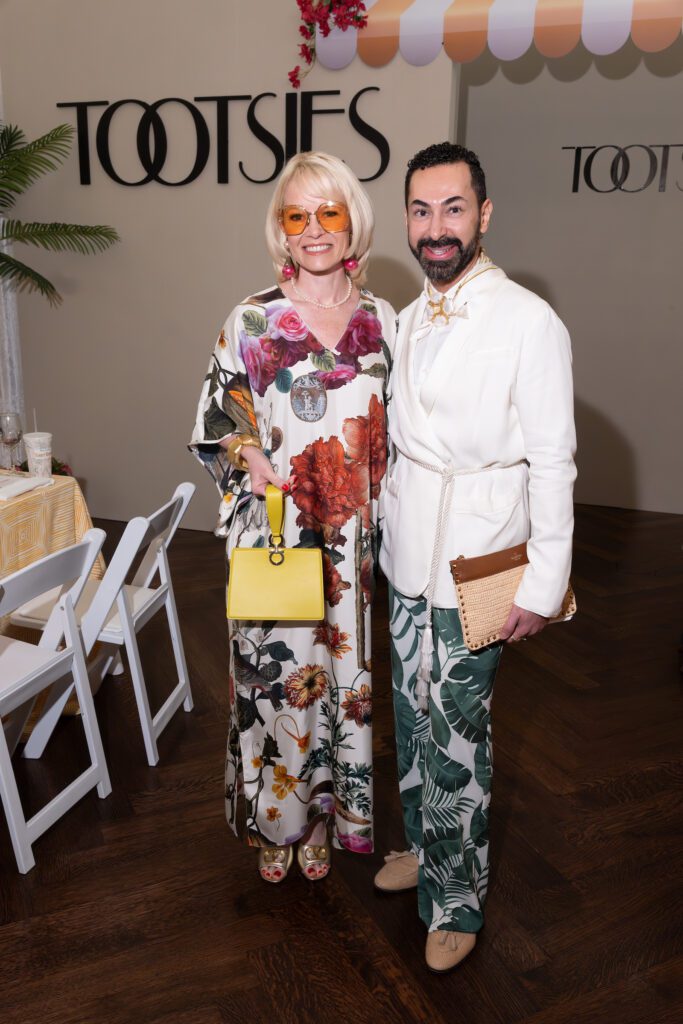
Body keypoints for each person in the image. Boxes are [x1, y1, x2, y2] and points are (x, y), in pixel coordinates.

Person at [375, 142, 576, 972]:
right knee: (411, 717)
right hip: (406, 550)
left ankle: (457, 898)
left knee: (460, 737)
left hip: (485, 563)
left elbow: (554, 461)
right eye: (420, 211)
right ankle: (426, 850)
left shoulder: (530, 321)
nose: (435, 228)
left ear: (483, 214)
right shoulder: (406, 316)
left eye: (452, 209)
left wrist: (545, 580)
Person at [190, 152, 395, 884]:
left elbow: (401, 434)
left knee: (344, 686)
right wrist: (249, 456)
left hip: (350, 548)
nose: (313, 229)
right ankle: (277, 822)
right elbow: (218, 420)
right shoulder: (251, 319)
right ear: (280, 229)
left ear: (352, 222)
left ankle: (327, 819)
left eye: (328, 211)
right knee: (275, 686)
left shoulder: (382, 322)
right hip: (276, 533)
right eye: (296, 215)